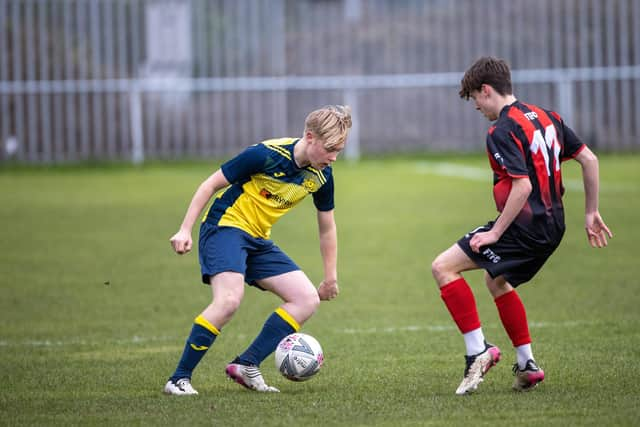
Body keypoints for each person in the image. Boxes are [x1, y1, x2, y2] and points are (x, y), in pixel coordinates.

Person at [431, 57, 612, 395]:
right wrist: (591, 212)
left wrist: (495, 233)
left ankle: (478, 352)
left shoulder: (501, 129)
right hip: (553, 226)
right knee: (496, 280)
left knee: (443, 267)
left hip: (524, 227)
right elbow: (589, 159)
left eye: (474, 99)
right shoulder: (547, 116)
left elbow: (522, 186)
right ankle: (527, 365)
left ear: (486, 90)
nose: (477, 107)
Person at [163, 105, 351, 395]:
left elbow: (327, 226)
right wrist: (185, 228)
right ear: (310, 137)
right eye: (330, 148)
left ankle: (246, 364)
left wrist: (330, 277)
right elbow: (210, 184)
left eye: (339, 149)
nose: (334, 157)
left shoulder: (323, 175)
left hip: (257, 239)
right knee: (229, 300)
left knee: (306, 299)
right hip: (224, 227)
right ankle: (178, 378)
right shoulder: (265, 154)